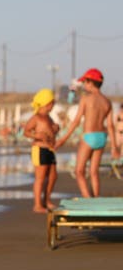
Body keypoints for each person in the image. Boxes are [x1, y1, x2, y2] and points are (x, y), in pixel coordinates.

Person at [55, 68, 120, 197]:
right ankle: (95, 199)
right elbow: (111, 126)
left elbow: (76, 121)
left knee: (79, 171)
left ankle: (88, 199)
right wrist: (114, 148)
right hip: (102, 137)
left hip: (89, 136)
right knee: (94, 172)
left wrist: (63, 139)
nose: (84, 85)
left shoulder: (86, 98)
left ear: (90, 82)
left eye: (84, 82)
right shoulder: (107, 102)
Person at [23, 89, 59, 212]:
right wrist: (37, 136)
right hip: (39, 149)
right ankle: (37, 204)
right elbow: (26, 132)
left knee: (53, 175)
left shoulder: (49, 117)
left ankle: (46, 200)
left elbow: (51, 131)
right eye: (52, 102)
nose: (53, 105)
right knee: (41, 176)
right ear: (47, 103)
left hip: (50, 149)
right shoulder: (36, 117)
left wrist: (55, 129)